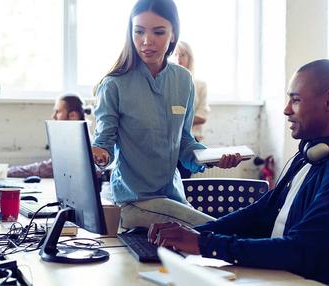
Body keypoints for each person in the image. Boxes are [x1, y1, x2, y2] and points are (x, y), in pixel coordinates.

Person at [148, 59, 329, 286]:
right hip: (274, 277)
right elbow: (261, 212)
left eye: (295, 100)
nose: (286, 109)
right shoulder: (311, 152)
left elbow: (301, 249)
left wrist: (205, 243)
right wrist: (189, 233)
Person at [91, 0, 242, 229]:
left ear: (173, 35)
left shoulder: (183, 80)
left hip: (172, 197)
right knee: (219, 231)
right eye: (139, 31)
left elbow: (183, 142)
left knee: (223, 232)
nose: (146, 41)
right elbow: (104, 145)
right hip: (133, 201)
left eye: (158, 32)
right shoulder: (114, 85)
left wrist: (210, 158)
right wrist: (98, 154)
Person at [0, 94, 85, 178]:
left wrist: (2, 171)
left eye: (58, 111)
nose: (53, 116)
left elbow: (43, 169)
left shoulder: (78, 143)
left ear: (73, 116)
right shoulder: (78, 139)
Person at [173, 41, 210, 178]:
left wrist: (174, 121)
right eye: (175, 54)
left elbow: (202, 116)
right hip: (167, 142)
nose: (178, 59)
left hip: (190, 141)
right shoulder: (165, 83)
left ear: (190, 58)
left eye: (182, 55)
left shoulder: (199, 85)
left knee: (184, 183)